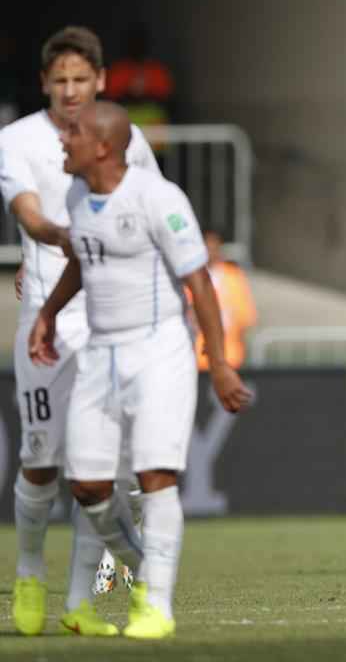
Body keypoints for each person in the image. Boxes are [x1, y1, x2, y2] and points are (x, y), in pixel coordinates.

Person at [29, 101, 251, 638]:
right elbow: (83, 261)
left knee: (155, 476)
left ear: (104, 146)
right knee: (87, 487)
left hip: (158, 352)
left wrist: (219, 363)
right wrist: (49, 313)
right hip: (99, 353)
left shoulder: (159, 198)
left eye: (74, 133)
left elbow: (198, 282)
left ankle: (157, 605)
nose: (63, 140)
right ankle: (141, 568)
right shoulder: (78, 195)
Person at [0, 26, 160, 636]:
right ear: (44, 83)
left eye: (81, 79)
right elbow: (31, 213)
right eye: (60, 80)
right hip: (46, 320)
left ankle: (79, 603)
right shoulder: (16, 139)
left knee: (107, 470)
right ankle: (29, 572)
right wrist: (62, 242)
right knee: (41, 459)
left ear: (101, 81)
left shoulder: (127, 139)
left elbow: (148, 211)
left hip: (109, 324)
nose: (70, 90)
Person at [194, 229, 257, 371]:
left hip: (229, 357)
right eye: (206, 247)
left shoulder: (233, 276)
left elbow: (245, 316)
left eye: (213, 248)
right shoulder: (193, 277)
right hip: (197, 359)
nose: (210, 252)